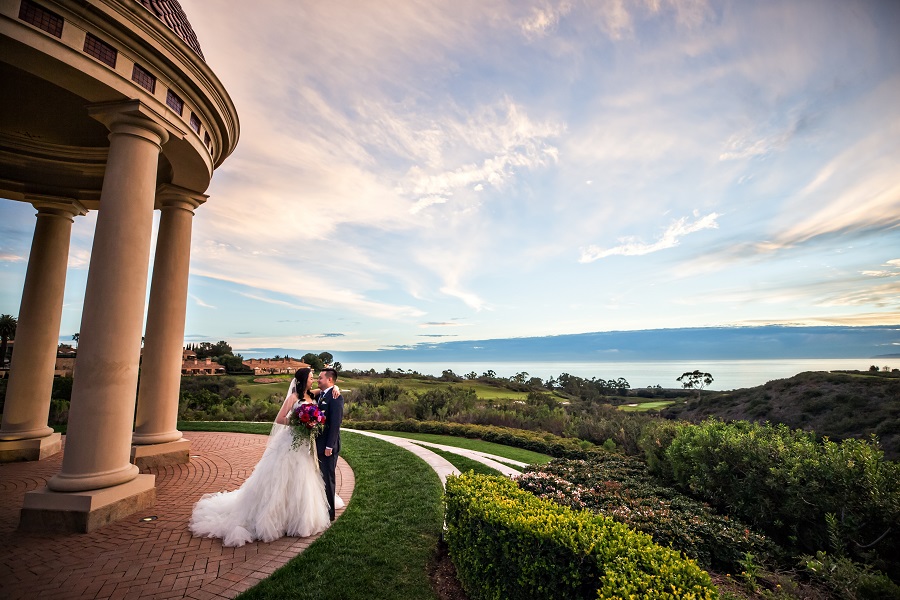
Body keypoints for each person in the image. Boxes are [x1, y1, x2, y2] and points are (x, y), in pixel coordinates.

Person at [188, 368, 331, 547]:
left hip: (304, 446)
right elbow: (279, 419)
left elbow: (329, 388)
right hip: (291, 443)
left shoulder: (313, 395)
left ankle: (299, 518)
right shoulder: (293, 398)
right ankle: (275, 519)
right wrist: (299, 422)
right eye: (311, 378)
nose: (313, 380)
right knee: (281, 481)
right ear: (303, 380)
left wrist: (336, 389)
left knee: (303, 480)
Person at [316, 366, 344, 521]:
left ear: (329, 379)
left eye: (320, 378)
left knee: (328, 479)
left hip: (328, 447)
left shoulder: (336, 398)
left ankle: (330, 514)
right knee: (321, 479)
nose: (317, 380)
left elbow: (335, 424)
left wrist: (329, 446)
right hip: (318, 445)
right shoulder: (321, 394)